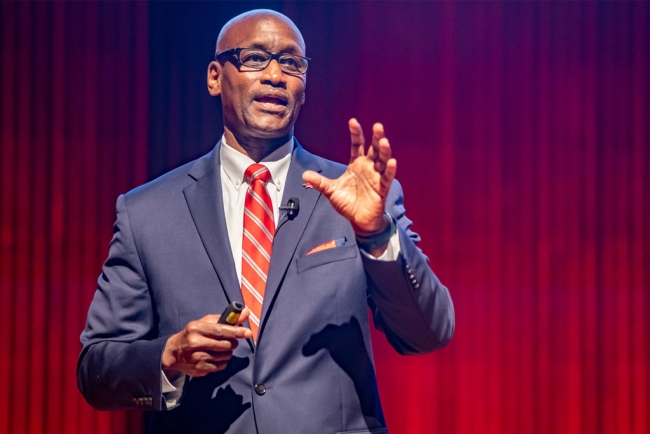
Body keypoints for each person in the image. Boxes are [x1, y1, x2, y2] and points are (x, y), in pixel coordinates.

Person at [77, 9, 454, 434]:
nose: (276, 75)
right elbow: (96, 368)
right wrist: (168, 357)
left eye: (291, 62)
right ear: (215, 78)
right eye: (255, 58)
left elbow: (428, 332)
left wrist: (377, 234)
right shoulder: (147, 212)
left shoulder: (353, 197)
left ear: (304, 87)